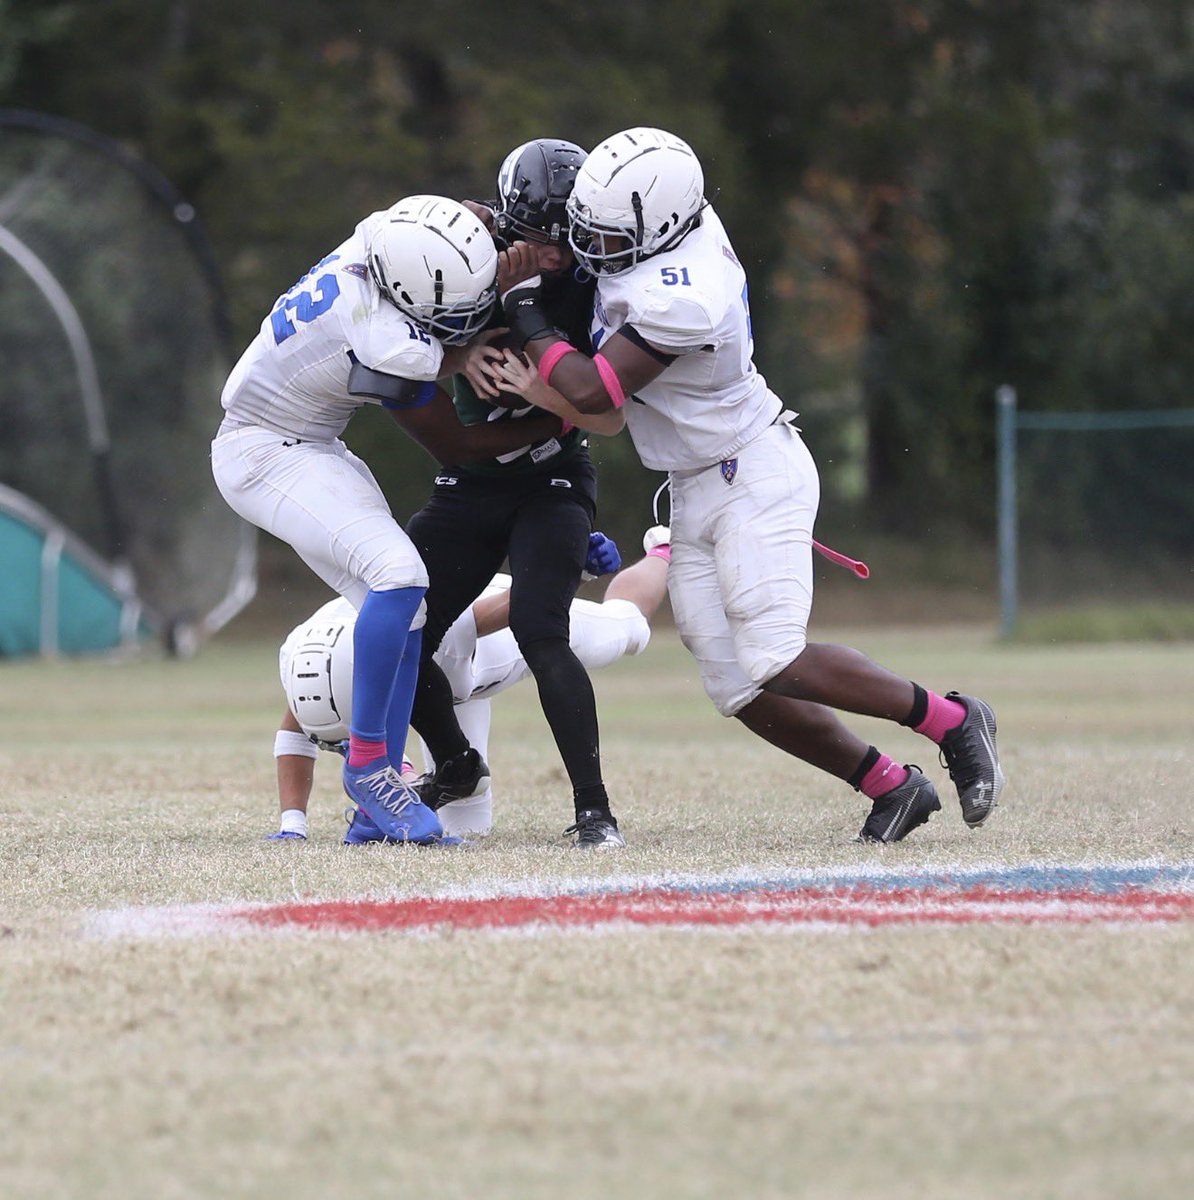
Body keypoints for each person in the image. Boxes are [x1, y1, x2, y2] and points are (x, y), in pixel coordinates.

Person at [490, 127, 1005, 843]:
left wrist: (524, 306)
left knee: (774, 655)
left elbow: (596, 389)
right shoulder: (655, 218)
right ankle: (891, 785)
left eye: (606, 238)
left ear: (662, 228)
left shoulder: (687, 294)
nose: (591, 250)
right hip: (695, 478)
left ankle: (952, 720)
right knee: (735, 686)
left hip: (752, 467)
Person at [212, 195, 569, 846]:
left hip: (309, 441)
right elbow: (457, 445)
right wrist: (562, 415)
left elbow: (462, 214)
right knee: (400, 575)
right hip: (264, 451)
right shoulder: (381, 336)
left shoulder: (387, 234)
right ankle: (371, 768)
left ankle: (376, 794)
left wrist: (490, 236)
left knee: (407, 606)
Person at [401, 140, 630, 849]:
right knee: (395, 631)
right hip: (470, 483)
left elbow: (612, 417)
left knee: (540, 628)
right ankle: (457, 763)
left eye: (571, 240)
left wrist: (545, 389)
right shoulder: (462, 249)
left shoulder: (600, 278)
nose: (558, 253)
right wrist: (459, 350)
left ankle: (594, 808)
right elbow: (391, 340)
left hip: (551, 474)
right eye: (541, 238)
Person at [269, 534, 670, 843]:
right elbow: (294, 731)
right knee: (470, 825)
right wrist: (293, 825)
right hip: (441, 694)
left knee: (627, 629)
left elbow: (502, 610)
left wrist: (567, 571)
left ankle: (665, 549)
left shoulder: (409, 632)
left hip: (490, 644)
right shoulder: (305, 654)